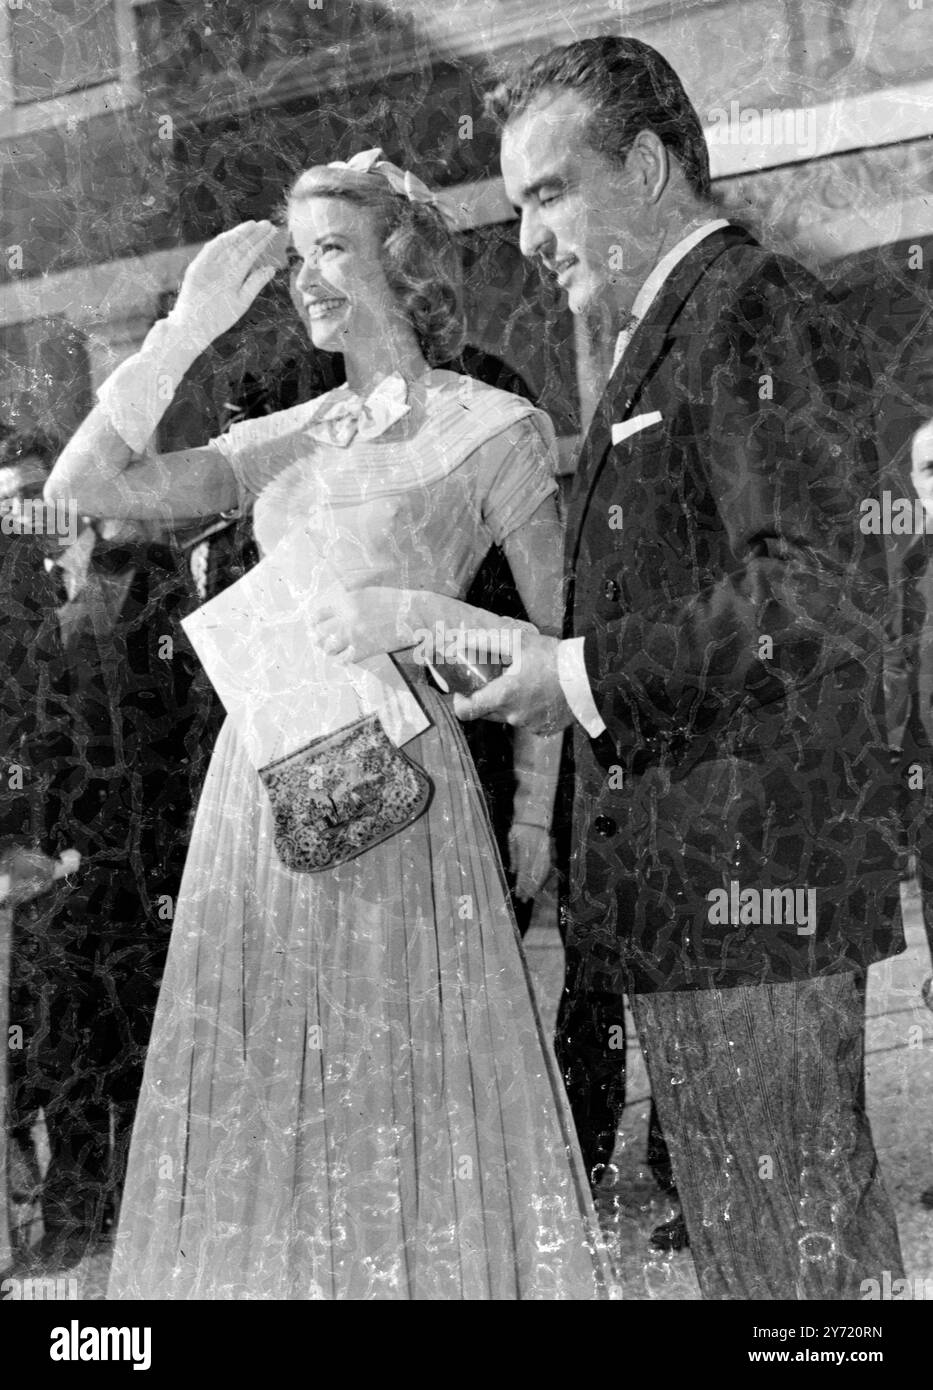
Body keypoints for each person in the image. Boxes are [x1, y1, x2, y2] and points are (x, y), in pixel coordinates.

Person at [45, 149, 614, 1299]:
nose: (306, 278)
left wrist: (537, 820)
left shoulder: (495, 426)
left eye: (332, 249)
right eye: (294, 255)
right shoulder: (281, 438)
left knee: (405, 1084)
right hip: (256, 796)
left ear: (402, 263)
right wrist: (188, 327)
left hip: (410, 795)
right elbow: (85, 486)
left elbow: (559, 641)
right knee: (280, 1091)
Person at [457, 36, 907, 1299]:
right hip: (708, 901)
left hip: (754, 893)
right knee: (772, 1267)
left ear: (648, 165)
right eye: (517, 206)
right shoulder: (663, 333)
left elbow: (813, 587)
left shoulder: (748, 306)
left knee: (795, 1278)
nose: (531, 237)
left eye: (548, 192)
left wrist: (578, 675)